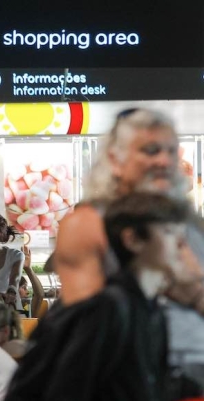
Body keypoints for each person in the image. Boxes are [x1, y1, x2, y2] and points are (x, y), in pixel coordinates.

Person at [34, 193, 188, 401]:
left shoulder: (149, 307)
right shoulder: (109, 307)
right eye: (169, 233)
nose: (181, 245)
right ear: (133, 240)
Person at [55, 108, 204, 386]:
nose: (164, 160)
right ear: (115, 159)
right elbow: (84, 333)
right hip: (136, 382)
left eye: (172, 151)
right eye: (150, 150)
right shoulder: (87, 224)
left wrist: (193, 291)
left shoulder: (190, 225)